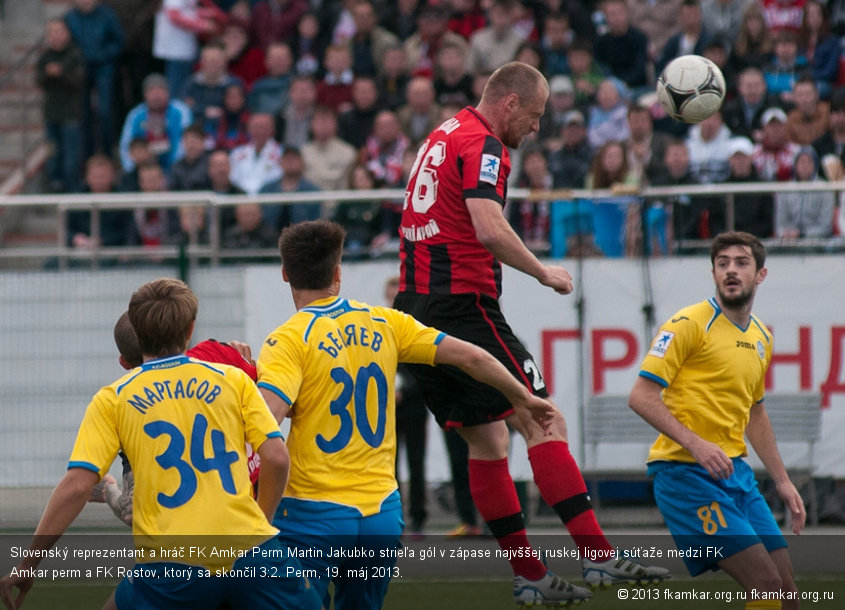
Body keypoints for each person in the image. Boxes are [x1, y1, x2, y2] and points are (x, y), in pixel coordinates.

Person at [393, 61, 670, 606]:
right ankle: (597, 556)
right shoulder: (486, 145)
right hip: (462, 307)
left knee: (488, 438)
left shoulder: (442, 134)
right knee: (543, 415)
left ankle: (530, 576)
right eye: (537, 116)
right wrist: (544, 272)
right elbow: (487, 226)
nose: (537, 129)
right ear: (510, 104)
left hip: (416, 308)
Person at [255, 219, 558, 610]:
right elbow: (473, 355)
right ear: (337, 273)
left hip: (314, 514)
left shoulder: (288, 339)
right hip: (381, 514)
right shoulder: (384, 321)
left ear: (285, 273)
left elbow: (266, 420)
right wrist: (523, 398)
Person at [0, 278, 322, 610]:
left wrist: (27, 565)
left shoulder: (114, 398)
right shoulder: (232, 379)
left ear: (137, 336)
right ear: (190, 329)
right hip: (251, 550)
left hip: (173, 564)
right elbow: (277, 459)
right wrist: (262, 522)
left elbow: (76, 487)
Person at [628, 231, 805, 610]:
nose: (731, 270)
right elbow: (640, 397)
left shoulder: (761, 337)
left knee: (788, 593)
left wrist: (784, 481)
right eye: (722, 263)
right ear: (713, 273)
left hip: (735, 474)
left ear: (761, 275)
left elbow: (754, 412)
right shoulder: (689, 323)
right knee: (766, 586)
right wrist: (696, 443)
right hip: (683, 475)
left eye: (742, 263)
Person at [384, 275, 429, 538]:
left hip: (413, 405)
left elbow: (423, 364)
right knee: (390, 464)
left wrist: (405, 390)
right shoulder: (382, 325)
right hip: (390, 407)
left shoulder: (413, 324)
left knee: (416, 461)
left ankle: (419, 519)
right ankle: (395, 517)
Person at [36, 18, 85, 193]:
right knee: (53, 154)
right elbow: (38, 80)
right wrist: (49, 74)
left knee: (71, 158)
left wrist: (61, 73)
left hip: (70, 114)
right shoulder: (45, 57)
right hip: (51, 114)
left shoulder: (75, 54)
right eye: (52, 32)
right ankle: (55, 186)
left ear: (67, 34)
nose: (55, 36)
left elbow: (79, 81)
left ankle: (72, 189)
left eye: (59, 31)